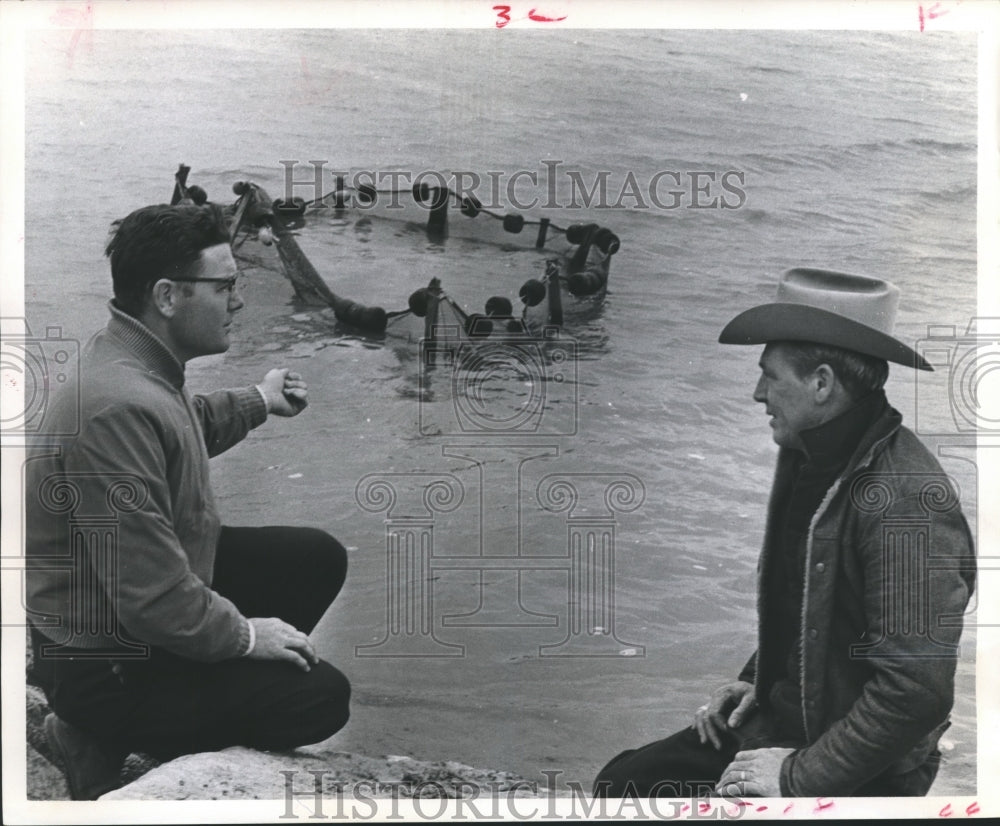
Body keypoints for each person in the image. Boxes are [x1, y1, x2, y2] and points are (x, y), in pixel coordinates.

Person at [593, 268, 976, 798]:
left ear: (821, 384)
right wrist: (759, 677)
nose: (758, 394)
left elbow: (916, 694)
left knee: (635, 796)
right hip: (789, 722)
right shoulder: (813, 454)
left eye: (770, 377)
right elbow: (808, 603)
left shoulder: (904, 502)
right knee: (623, 782)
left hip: (861, 764)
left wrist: (797, 777)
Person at [26, 203, 351, 800]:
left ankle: (186, 685)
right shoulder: (116, 405)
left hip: (123, 610)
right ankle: (93, 734)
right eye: (224, 286)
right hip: (103, 662)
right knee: (319, 698)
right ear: (168, 296)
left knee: (313, 558)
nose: (238, 301)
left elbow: (179, 427)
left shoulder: (130, 359)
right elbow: (152, 599)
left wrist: (257, 400)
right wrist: (246, 636)